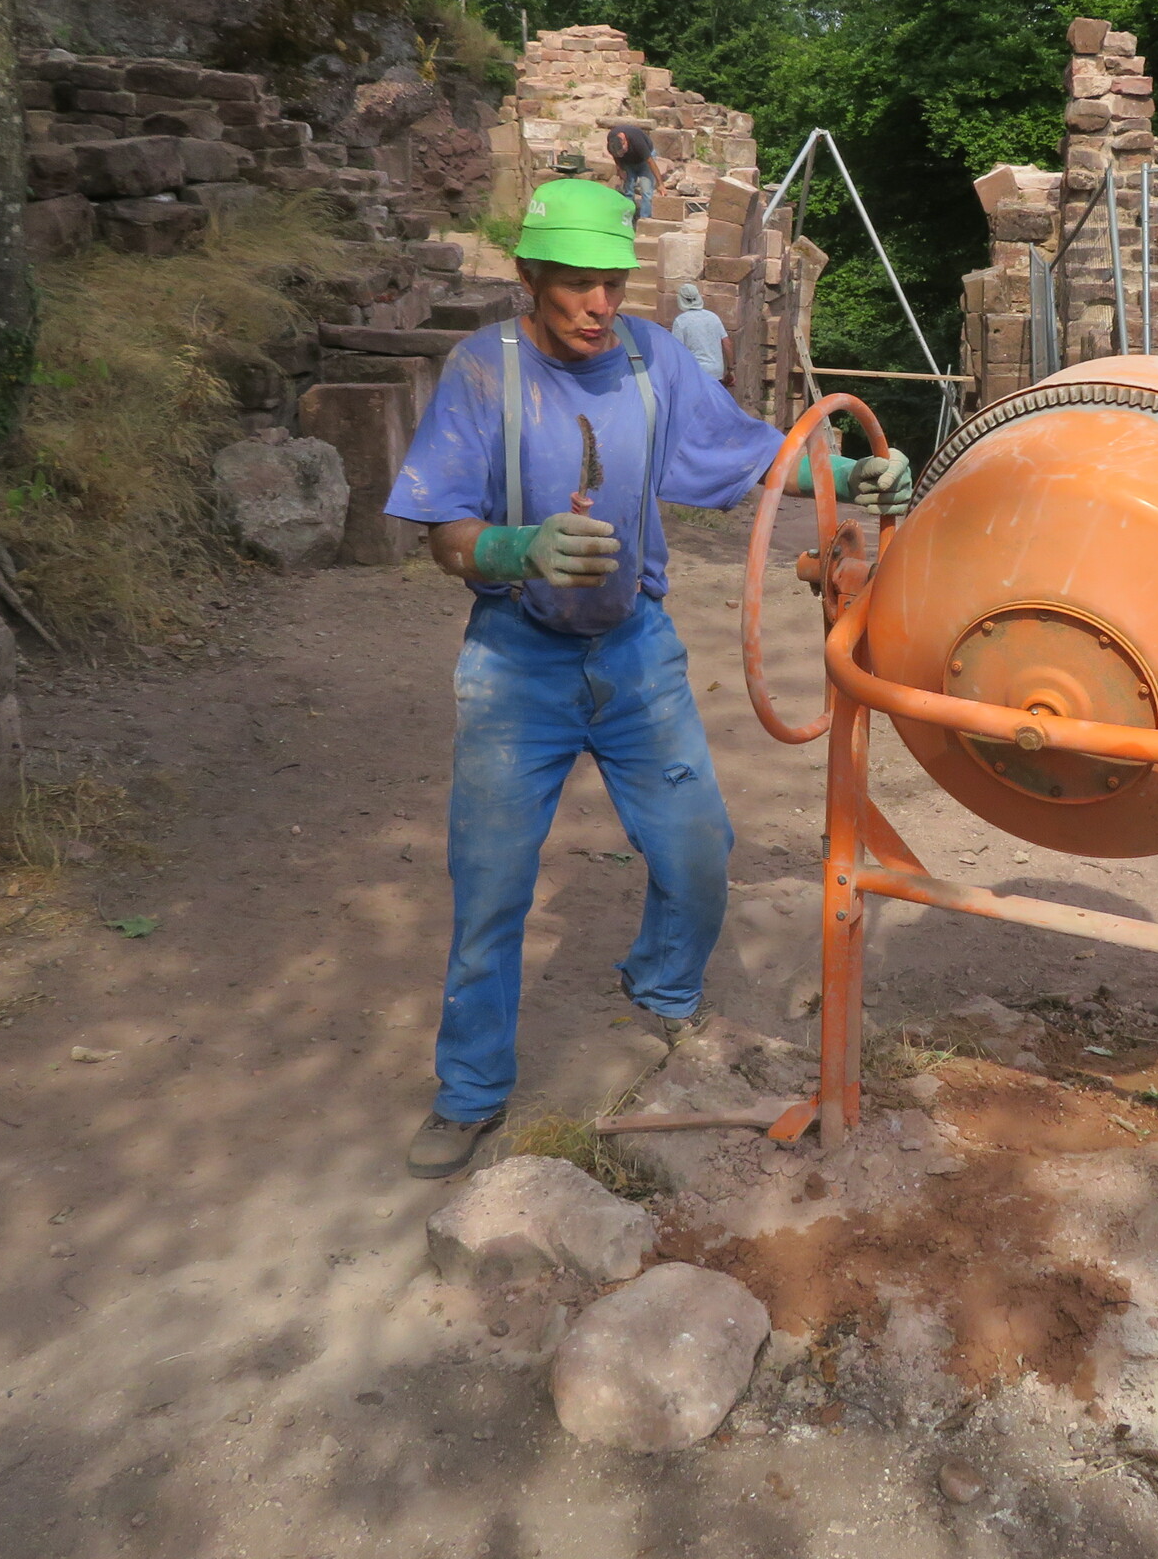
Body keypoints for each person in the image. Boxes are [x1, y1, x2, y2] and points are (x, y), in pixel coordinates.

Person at [388, 176, 913, 1179]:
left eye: (614, 284)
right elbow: (444, 534)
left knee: (698, 848)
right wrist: (516, 548)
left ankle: (663, 988)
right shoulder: (483, 371)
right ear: (530, 275)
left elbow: (749, 456)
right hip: (515, 662)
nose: (599, 305)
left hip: (635, 651)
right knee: (490, 887)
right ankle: (470, 1092)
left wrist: (849, 476)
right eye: (576, 284)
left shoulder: (650, 359)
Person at [670, 281, 731, 386]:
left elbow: (676, 351)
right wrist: (731, 369)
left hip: (695, 372)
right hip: (716, 372)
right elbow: (727, 343)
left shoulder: (680, 321)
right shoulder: (713, 317)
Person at [604, 122, 666, 220]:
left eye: (622, 152)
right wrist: (620, 169)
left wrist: (660, 184)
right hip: (628, 163)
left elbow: (650, 162)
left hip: (645, 161)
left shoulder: (637, 141)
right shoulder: (612, 139)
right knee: (628, 191)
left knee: (646, 191)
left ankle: (644, 220)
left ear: (624, 142)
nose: (621, 154)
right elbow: (616, 156)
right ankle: (627, 219)